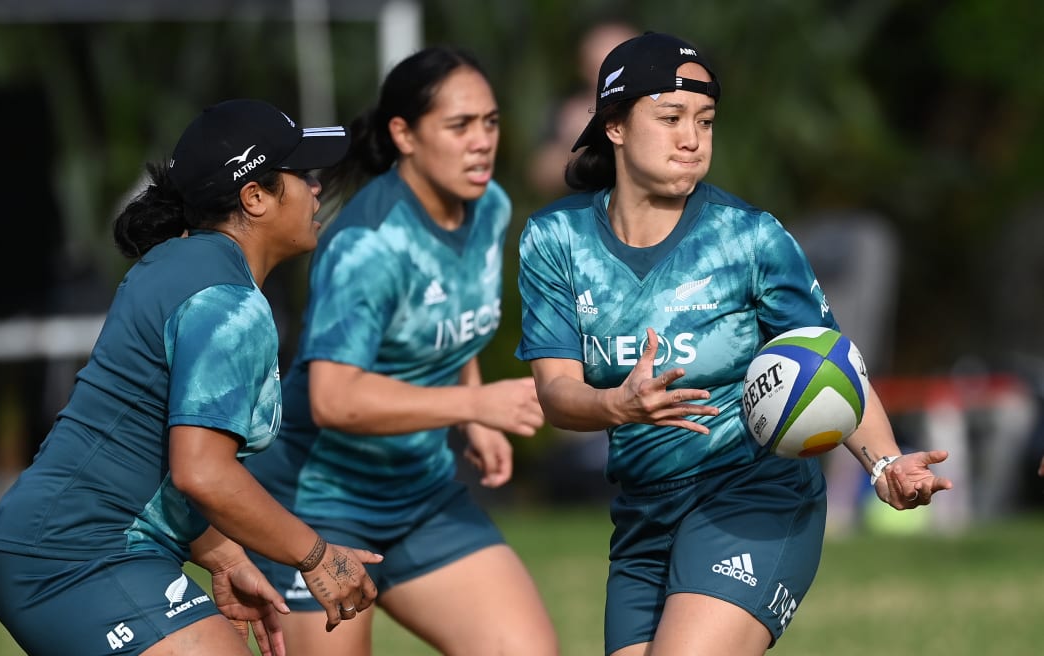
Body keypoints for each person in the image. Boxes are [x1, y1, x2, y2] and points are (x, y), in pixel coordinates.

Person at [514, 32, 954, 656]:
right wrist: (620, 405)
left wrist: (884, 463)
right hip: (643, 514)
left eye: (705, 121)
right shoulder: (555, 241)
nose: (691, 138)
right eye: (669, 118)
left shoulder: (749, 238)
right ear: (613, 125)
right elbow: (556, 393)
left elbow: (826, 361)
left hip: (753, 495)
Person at [0, 98, 383, 656]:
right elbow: (201, 472)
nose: (318, 189)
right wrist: (317, 556)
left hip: (61, 544)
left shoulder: (177, 261)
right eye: (303, 176)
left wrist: (223, 553)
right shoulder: (228, 303)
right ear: (254, 197)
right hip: (76, 557)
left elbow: (138, 440)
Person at [244, 47, 558, 656]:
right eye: (459, 126)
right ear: (404, 135)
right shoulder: (368, 246)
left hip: (421, 497)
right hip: (318, 510)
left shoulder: (488, 207)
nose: (481, 142)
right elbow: (335, 399)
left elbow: (450, 324)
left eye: (490, 123)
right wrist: (478, 402)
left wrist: (470, 407)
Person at [528, 21, 639, 197]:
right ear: (584, 69)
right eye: (599, 67)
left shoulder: (663, 105)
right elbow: (541, 175)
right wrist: (576, 144)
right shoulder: (566, 112)